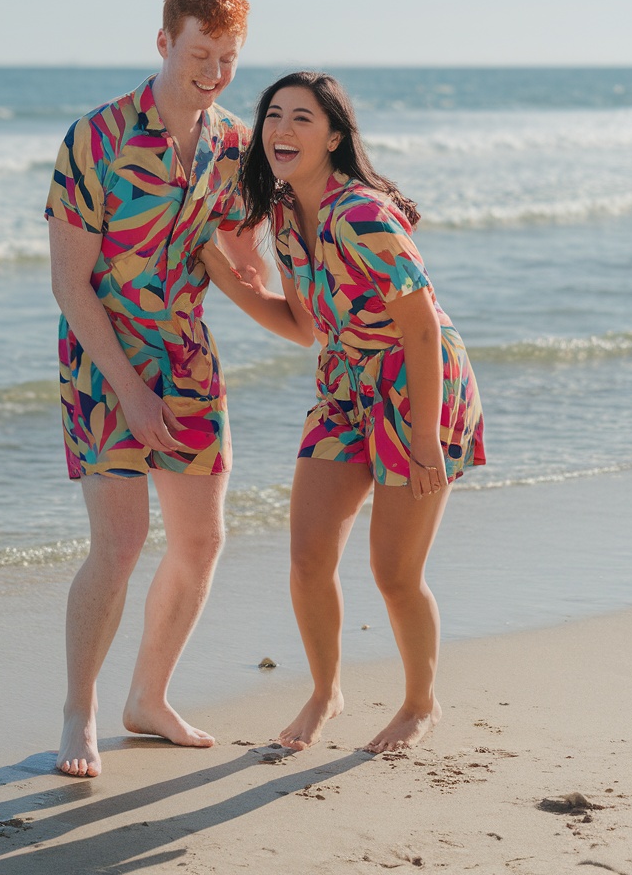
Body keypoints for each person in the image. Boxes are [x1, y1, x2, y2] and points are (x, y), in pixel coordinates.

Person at [199, 71, 485, 753]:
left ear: (334, 135)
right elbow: (304, 326)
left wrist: (422, 438)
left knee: (393, 572)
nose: (281, 130)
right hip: (346, 386)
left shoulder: (362, 213)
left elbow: (419, 328)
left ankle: (420, 703)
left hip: (418, 386)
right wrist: (217, 268)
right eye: (273, 116)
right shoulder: (285, 220)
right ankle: (326, 692)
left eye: (302, 117)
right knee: (306, 559)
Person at [45, 0, 265, 777]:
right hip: (103, 362)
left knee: (202, 538)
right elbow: (71, 285)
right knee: (121, 541)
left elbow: (244, 262)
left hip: (189, 358)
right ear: (165, 42)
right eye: (201, 53)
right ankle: (81, 711)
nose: (213, 72)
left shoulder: (237, 147)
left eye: (229, 58)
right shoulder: (95, 138)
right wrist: (129, 391)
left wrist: (314, 302)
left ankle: (150, 697)